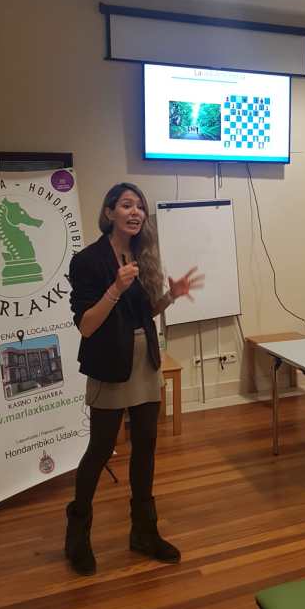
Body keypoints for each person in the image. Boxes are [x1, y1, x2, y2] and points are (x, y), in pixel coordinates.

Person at [65, 182, 203, 576]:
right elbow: (86, 326)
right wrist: (115, 287)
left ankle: (144, 532)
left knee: (146, 447)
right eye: (127, 205)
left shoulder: (143, 256)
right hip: (109, 364)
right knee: (100, 449)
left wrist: (170, 296)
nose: (136, 212)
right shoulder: (87, 261)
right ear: (109, 212)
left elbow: (143, 314)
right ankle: (77, 533)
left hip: (145, 363)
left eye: (140, 206)